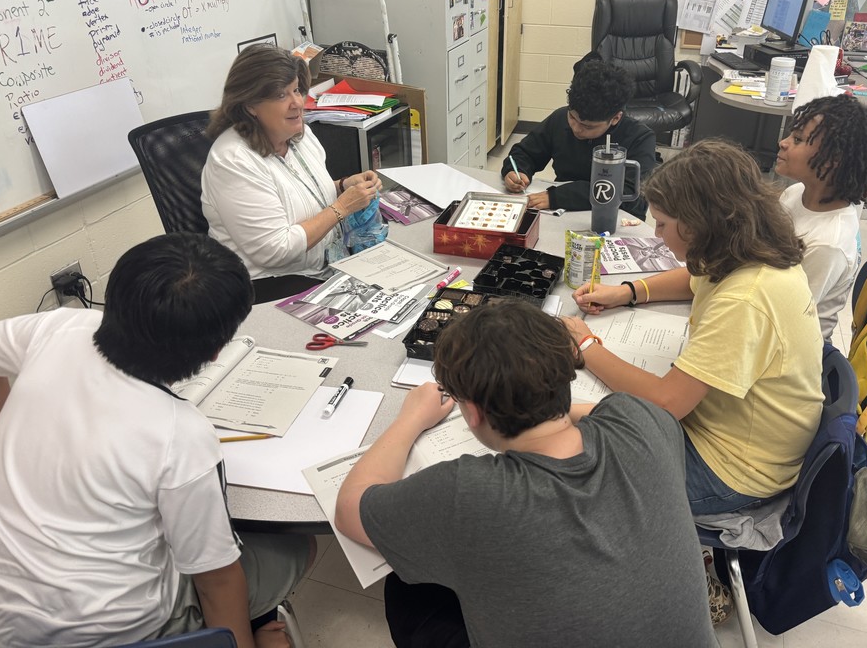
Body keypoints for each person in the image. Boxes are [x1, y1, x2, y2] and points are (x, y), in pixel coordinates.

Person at [0, 233, 312, 648]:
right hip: (116, 635)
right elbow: (216, 581)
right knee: (292, 550)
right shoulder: (179, 433)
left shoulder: (57, 326)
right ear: (218, 349)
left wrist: (10, 431)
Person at [333, 299, 716, 648]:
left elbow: (350, 509)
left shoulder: (469, 493)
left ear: (473, 413)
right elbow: (596, 412)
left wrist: (411, 417)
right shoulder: (644, 418)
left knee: (406, 587)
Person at [563, 140, 825, 515]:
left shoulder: (745, 300)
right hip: (734, 433)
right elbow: (693, 278)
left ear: (699, 224)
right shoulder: (748, 250)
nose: (656, 235)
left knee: (578, 480)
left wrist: (588, 346)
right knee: (586, 425)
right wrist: (630, 292)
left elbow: (665, 403)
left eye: (663, 223)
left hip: (733, 469)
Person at [201, 44, 382, 302]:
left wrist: (343, 186)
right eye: (280, 95)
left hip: (321, 269)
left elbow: (293, 196)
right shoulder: (232, 161)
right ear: (251, 104)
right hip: (270, 287)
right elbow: (276, 250)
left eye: (296, 89)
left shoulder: (298, 135)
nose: (297, 102)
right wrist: (342, 207)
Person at [775, 94, 867, 341]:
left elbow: (785, 318)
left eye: (799, 139)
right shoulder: (796, 193)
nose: (783, 142)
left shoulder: (828, 244)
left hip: (792, 350)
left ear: (832, 161)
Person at [500, 59, 655, 218]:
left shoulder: (640, 138)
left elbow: (632, 196)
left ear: (615, 118)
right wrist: (516, 170)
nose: (576, 128)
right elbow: (525, 153)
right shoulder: (560, 118)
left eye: (588, 127)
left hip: (613, 219)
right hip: (559, 213)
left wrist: (559, 197)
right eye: (573, 118)